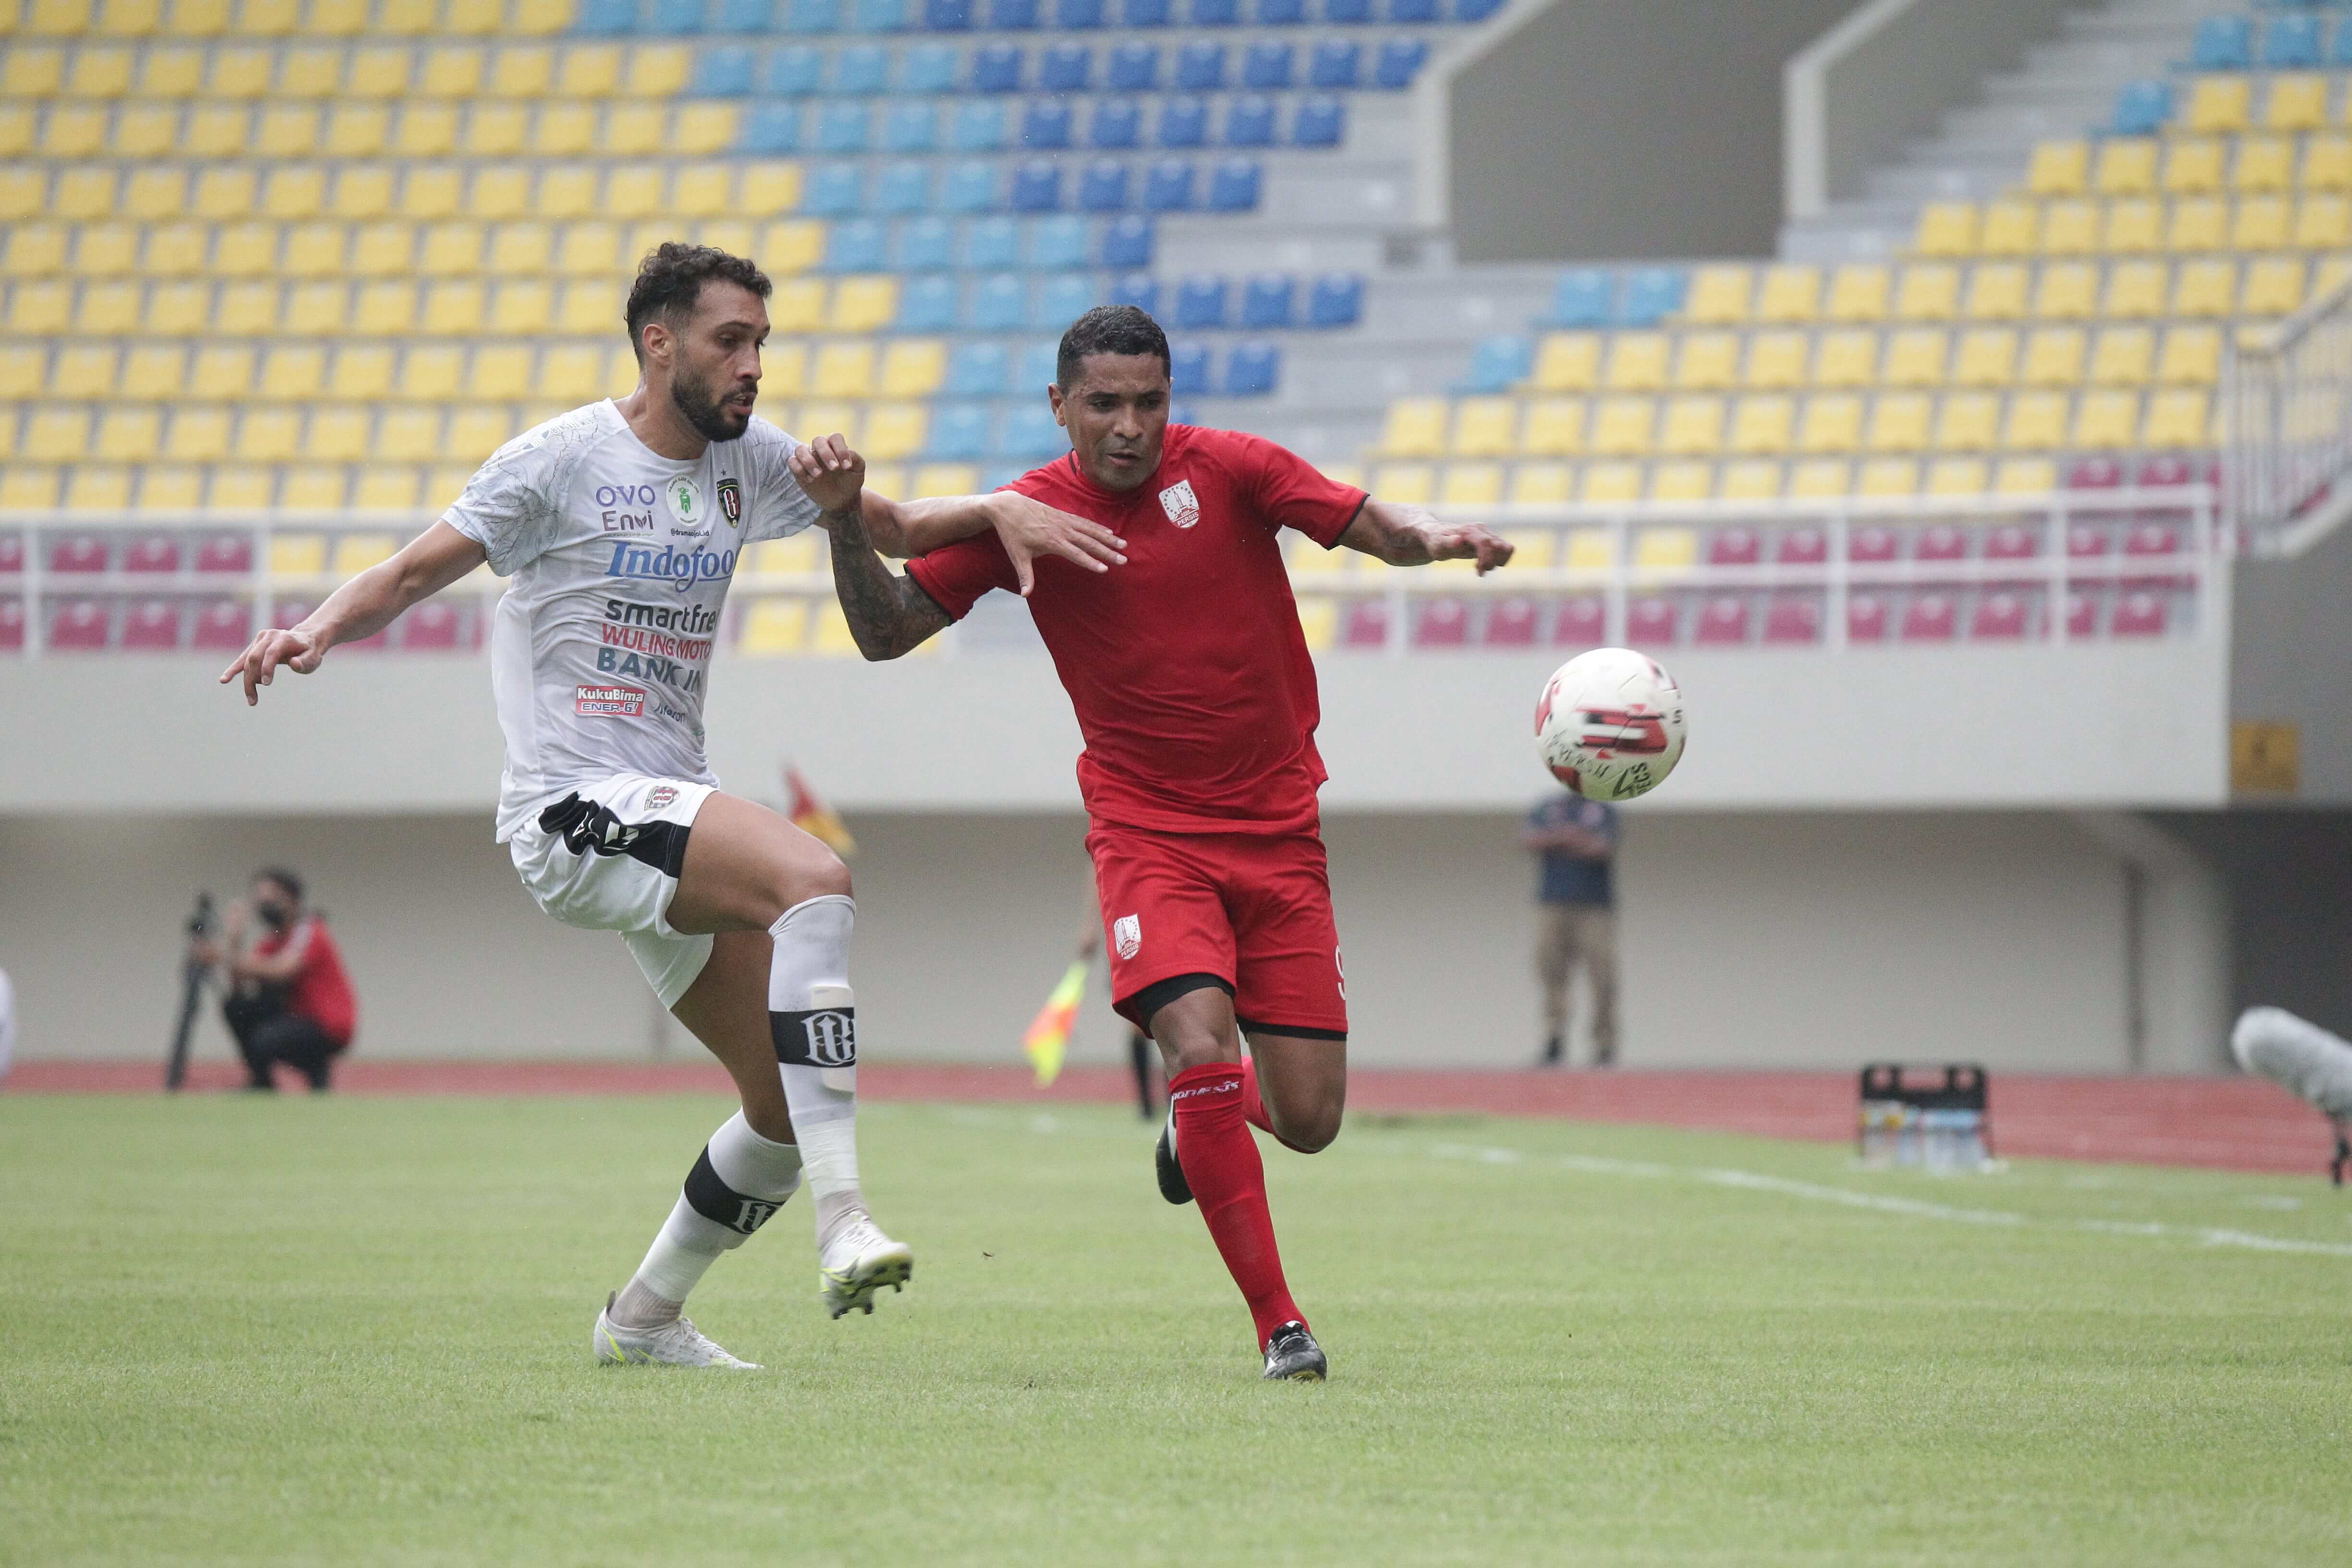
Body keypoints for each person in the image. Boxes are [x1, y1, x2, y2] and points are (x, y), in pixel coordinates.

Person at [219, 242, 1123, 1369]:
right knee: (814, 879)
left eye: (761, 343)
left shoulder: (755, 459)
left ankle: (642, 1317)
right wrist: (309, 630)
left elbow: (888, 525)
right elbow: (412, 572)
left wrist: (1002, 510)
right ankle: (846, 1223)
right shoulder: (559, 461)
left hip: (662, 808)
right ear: (659, 342)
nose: (752, 365)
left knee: (782, 1111)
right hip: (571, 804)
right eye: (729, 340)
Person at [815, 305, 1513, 1381]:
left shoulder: (1232, 468)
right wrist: (830, 524)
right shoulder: (1025, 513)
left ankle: (1200, 1130)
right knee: (1198, 1043)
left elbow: (1369, 522)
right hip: (1149, 835)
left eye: (1149, 401)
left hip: (1281, 836)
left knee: (1312, 1119)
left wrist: (1438, 539)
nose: (1130, 425)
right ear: (1062, 408)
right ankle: (1282, 1325)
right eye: (1105, 404)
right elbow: (884, 631)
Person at [192, 869, 358, 1092]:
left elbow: (282, 969)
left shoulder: (310, 930)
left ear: (293, 899)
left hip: (326, 1026)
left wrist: (222, 955)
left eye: (271, 899)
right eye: (260, 900)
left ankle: (315, 1070)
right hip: (294, 1020)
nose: (265, 906)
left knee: (267, 1038)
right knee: (237, 1008)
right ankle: (264, 1082)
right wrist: (234, 940)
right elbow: (241, 984)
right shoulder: (272, 942)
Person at [1523, 792, 1621, 1068]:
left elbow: (1603, 847)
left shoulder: (1602, 809)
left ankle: (1605, 1045)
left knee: (1603, 974)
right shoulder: (1547, 807)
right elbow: (1530, 841)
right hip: (1552, 903)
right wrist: (1575, 837)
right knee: (1551, 971)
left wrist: (1559, 840)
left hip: (1595, 906)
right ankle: (1554, 1040)